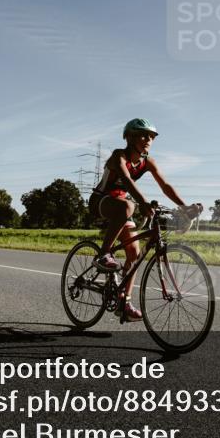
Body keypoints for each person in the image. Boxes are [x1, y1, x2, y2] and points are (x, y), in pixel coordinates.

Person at [88, 118, 201, 321]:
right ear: (129, 137)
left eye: (151, 136)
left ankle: (124, 302)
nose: (148, 139)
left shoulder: (147, 162)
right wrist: (143, 202)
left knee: (134, 252)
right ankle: (103, 254)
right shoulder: (118, 156)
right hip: (101, 201)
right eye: (143, 135)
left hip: (121, 205)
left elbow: (165, 185)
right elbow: (128, 181)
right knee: (129, 205)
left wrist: (184, 207)